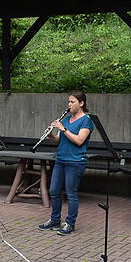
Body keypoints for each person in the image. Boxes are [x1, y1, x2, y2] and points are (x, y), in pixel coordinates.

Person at [38, 90, 93, 235]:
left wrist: (63, 128)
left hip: (76, 161)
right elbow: (59, 140)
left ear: (81, 103)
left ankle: (70, 223)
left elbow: (79, 140)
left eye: (72, 102)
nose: (69, 105)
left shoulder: (86, 120)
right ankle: (55, 220)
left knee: (71, 193)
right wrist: (50, 135)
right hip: (61, 159)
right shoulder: (67, 119)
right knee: (54, 191)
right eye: (68, 101)